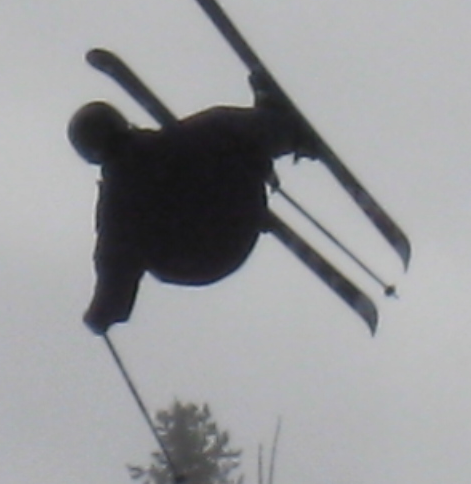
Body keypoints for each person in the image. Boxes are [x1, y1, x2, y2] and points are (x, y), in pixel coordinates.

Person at [71, 77, 315, 334]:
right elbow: (116, 262)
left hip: (202, 258)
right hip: (234, 217)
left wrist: (101, 315)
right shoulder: (173, 143)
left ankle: (282, 132)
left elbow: (116, 267)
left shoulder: (117, 205)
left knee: (212, 136)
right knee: (217, 129)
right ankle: (285, 129)